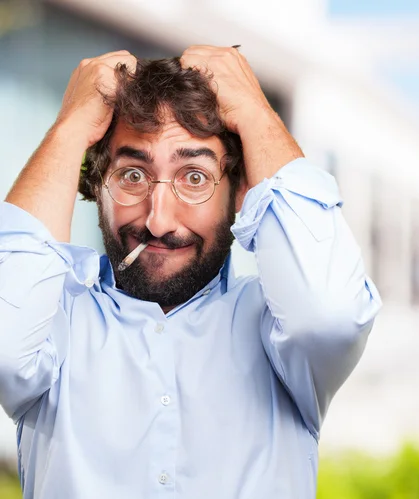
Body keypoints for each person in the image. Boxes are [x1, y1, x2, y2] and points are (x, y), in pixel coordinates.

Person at [0, 46, 381, 498]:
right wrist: (68, 130)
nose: (158, 220)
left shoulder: (279, 333)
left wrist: (255, 113)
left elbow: (331, 316)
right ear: (98, 186)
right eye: (132, 176)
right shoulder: (51, 324)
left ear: (241, 192)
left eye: (195, 177)